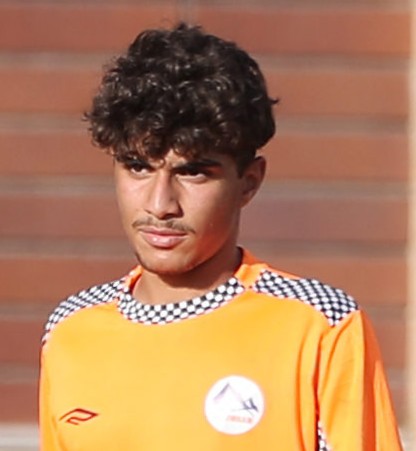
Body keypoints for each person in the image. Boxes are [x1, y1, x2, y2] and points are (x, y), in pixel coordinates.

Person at [39, 22, 403, 450]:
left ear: (249, 182)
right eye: (138, 167)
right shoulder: (70, 330)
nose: (160, 204)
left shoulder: (321, 325)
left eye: (193, 172)